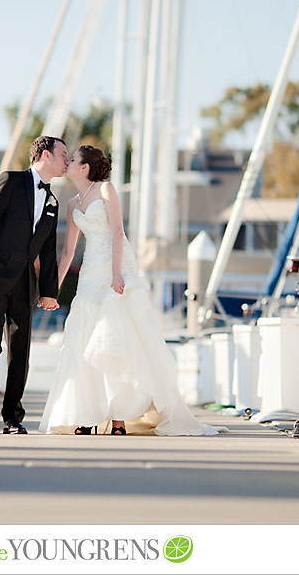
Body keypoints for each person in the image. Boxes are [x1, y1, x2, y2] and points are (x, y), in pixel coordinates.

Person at [38, 145, 218, 436]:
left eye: (73, 160)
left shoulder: (106, 190)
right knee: (85, 343)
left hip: (115, 268)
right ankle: (88, 415)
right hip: (89, 274)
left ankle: (119, 417)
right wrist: (53, 290)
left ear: (84, 168)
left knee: (115, 339)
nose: (68, 163)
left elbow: (118, 232)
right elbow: (69, 251)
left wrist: (116, 275)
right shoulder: (72, 204)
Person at [0, 135, 68, 435]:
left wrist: (49, 292)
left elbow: (48, 250)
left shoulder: (53, 201)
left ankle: (13, 417)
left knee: (21, 351)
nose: (67, 160)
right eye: (64, 154)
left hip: (26, 283)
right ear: (46, 155)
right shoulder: (10, 181)